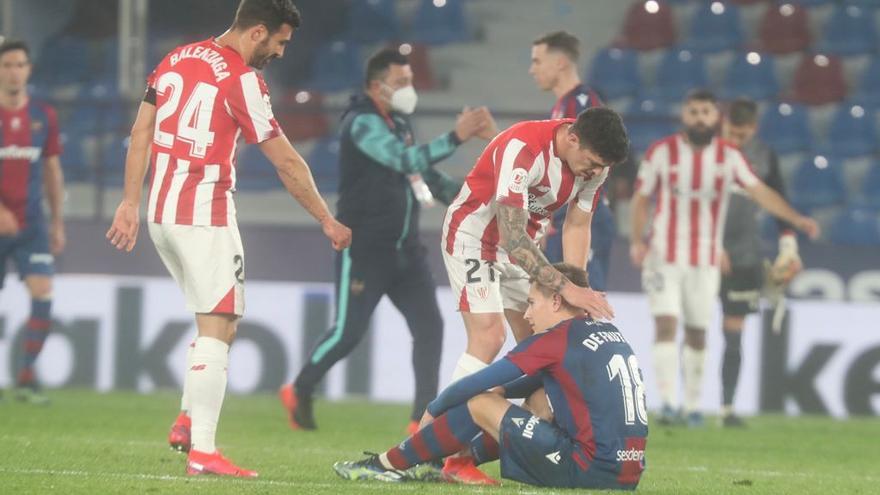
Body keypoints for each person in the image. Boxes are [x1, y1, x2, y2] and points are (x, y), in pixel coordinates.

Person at [106, 0, 351, 477]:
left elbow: (141, 132)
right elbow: (285, 161)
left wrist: (129, 202)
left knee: (221, 323)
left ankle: (185, 420)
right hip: (203, 214)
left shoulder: (177, 58)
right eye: (279, 42)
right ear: (257, 32)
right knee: (218, 326)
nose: (280, 53)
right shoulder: (243, 79)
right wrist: (326, 217)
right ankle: (203, 452)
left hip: (161, 212)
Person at [279, 48, 493, 433]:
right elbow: (403, 161)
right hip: (364, 248)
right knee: (348, 334)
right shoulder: (361, 123)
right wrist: (456, 137)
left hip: (406, 251)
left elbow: (427, 177)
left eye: (410, 81)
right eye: (402, 82)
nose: (409, 89)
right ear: (377, 87)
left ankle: (419, 421)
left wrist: (480, 200)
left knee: (430, 328)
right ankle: (300, 389)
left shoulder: (400, 123)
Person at [333, 263, 648, 491]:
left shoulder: (556, 338)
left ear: (555, 301)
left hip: (588, 471)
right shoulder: (608, 331)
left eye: (531, 303)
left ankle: (384, 465)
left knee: (480, 403)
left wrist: (434, 407)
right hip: (627, 475)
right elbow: (537, 382)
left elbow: (479, 383)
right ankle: (458, 463)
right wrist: (504, 390)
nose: (526, 314)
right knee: (540, 401)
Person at [629, 90, 819, 427]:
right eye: (693, 112)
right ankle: (669, 403)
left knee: (699, 331)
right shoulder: (662, 151)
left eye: (705, 112)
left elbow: (761, 192)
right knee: (666, 323)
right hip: (664, 255)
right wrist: (637, 240)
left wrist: (795, 220)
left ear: (715, 117)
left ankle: (693, 407)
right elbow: (641, 198)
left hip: (706, 258)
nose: (699, 118)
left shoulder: (730, 156)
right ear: (685, 116)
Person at [718, 98, 801, 427]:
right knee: (689, 328)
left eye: (741, 134)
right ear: (722, 124)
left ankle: (726, 409)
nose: (735, 140)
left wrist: (789, 246)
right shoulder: (705, 153)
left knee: (733, 333)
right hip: (698, 251)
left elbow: (781, 203)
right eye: (731, 133)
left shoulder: (765, 157)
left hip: (744, 255)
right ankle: (681, 404)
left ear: (753, 128)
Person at [0, 40, 65, 405]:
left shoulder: (43, 117)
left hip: (32, 225)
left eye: (20, 65)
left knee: (43, 293)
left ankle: (26, 376)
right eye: (7, 64)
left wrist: (57, 222)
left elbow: (52, 169)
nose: (14, 71)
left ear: (28, 70)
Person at [528, 31, 615, 292]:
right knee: (563, 302)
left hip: (583, 215)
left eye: (537, 61)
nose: (532, 70)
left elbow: (595, 158)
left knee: (584, 298)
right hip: (564, 216)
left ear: (560, 62)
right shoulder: (562, 107)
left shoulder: (582, 103)